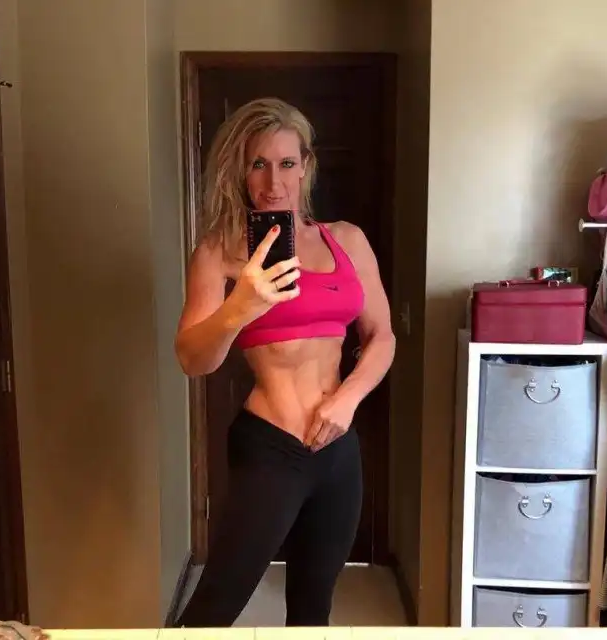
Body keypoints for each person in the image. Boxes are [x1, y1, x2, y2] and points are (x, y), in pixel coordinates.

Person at [173, 97, 395, 627]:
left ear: (306, 166)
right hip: (271, 450)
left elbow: (382, 336)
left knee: (313, 611)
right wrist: (240, 306)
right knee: (214, 610)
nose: (273, 182)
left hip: (338, 449)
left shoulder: (347, 240)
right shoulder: (219, 252)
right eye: (258, 164)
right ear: (241, 171)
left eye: (287, 163)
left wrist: (347, 400)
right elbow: (192, 359)